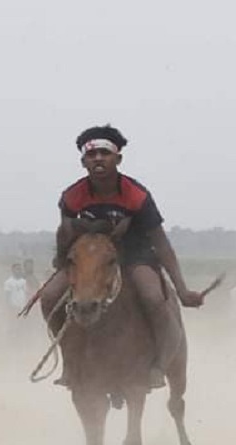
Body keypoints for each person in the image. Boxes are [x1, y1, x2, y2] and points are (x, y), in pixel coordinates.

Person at [39, 124, 205, 389]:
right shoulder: (72, 196)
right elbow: (65, 233)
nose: (98, 159)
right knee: (48, 297)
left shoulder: (136, 196)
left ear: (118, 158)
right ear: (83, 162)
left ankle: (158, 365)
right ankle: (70, 361)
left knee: (152, 297)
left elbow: (161, 244)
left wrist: (182, 290)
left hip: (135, 256)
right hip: (90, 259)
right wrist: (63, 262)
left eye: (104, 153)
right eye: (91, 155)